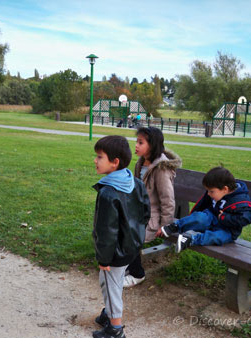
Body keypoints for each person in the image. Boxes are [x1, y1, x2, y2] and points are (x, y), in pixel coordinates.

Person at [92, 135, 151, 338]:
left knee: (110, 285)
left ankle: (115, 328)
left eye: (100, 157)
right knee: (110, 282)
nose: (95, 160)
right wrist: (136, 237)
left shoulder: (108, 193)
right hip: (131, 246)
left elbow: (106, 231)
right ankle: (109, 313)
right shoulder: (135, 182)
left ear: (115, 162)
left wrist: (104, 258)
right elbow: (145, 213)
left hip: (115, 252)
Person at [123, 127, 182, 288]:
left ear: (153, 145)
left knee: (132, 234)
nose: (136, 145)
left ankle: (137, 273)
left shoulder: (161, 169)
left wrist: (165, 226)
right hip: (139, 213)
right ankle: (125, 265)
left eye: (140, 142)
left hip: (153, 218)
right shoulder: (141, 163)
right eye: (136, 141)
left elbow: (168, 200)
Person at [158, 166, 251, 253]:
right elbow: (202, 206)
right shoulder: (217, 191)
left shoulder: (240, 201)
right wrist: (194, 217)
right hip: (212, 218)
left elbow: (246, 218)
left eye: (211, 191)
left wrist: (225, 217)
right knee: (200, 217)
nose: (208, 194)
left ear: (225, 189)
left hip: (228, 230)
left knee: (216, 237)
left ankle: (191, 239)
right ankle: (175, 226)